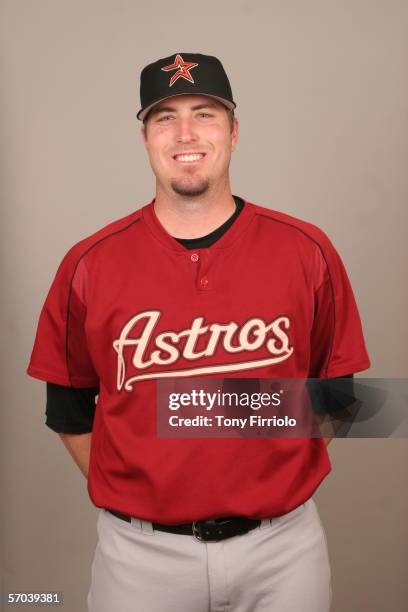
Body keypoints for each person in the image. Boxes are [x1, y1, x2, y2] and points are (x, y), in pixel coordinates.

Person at [27, 52, 370, 612]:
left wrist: (263, 475)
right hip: (140, 557)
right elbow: (67, 410)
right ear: (145, 138)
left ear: (233, 131)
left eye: (204, 113)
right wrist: (147, 493)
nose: (185, 132)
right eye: (165, 117)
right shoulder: (89, 263)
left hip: (282, 549)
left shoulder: (306, 250)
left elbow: (338, 394)